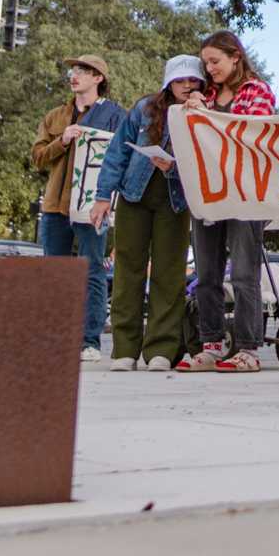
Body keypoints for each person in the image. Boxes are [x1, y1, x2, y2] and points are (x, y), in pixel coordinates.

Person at [90, 56, 205, 371]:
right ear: (168, 83)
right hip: (133, 196)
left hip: (175, 201)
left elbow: (208, 161)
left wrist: (175, 166)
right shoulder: (144, 108)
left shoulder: (203, 115)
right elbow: (118, 153)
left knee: (169, 274)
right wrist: (102, 197)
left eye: (193, 81)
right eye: (180, 81)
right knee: (128, 270)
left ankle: (161, 350)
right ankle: (124, 349)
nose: (187, 86)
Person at [177, 31, 276, 373]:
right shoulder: (207, 95)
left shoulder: (257, 92)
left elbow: (254, 133)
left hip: (246, 194)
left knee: (245, 274)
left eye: (215, 61)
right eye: (206, 63)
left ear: (236, 57)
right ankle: (212, 344)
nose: (210, 68)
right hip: (209, 193)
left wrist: (208, 116)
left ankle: (249, 348)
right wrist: (192, 115)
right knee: (206, 273)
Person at [30, 55, 126, 361]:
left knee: (92, 271)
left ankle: (89, 342)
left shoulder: (114, 115)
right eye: (73, 70)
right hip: (55, 205)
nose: (75, 75)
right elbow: (37, 158)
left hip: (91, 205)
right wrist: (63, 140)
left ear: (98, 78)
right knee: (56, 273)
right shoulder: (56, 116)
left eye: (83, 71)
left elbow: (122, 155)